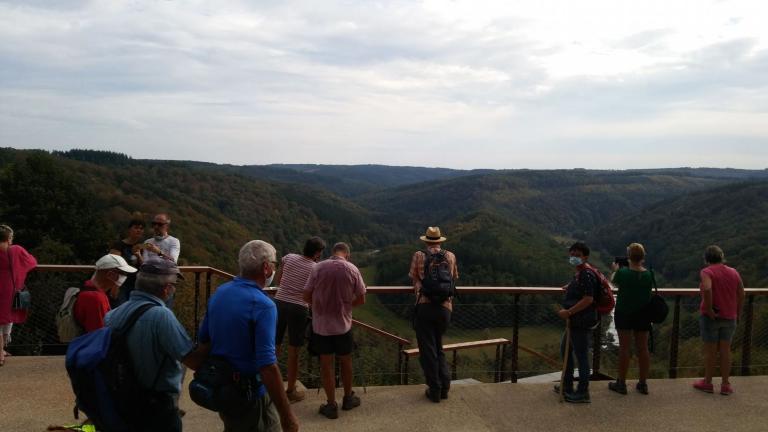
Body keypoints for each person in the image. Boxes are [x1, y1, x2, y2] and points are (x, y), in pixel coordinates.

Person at [199, 240, 299, 432]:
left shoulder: (220, 292)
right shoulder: (263, 305)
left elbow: (204, 339)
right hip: (249, 392)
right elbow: (268, 366)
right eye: (275, 264)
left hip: (223, 387)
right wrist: (288, 417)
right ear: (266, 268)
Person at [104, 259, 205, 432]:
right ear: (166, 289)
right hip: (156, 408)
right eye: (174, 285)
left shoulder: (112, 315)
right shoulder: (162, 316)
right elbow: (193, 361)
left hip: (122, 400)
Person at [303, 242, 366, 420]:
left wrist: (319, 308)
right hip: (343, 326)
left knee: (326, 366)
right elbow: (361, 299)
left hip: (321, 326)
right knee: (346, 362)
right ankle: (348, 398)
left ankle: (331, 406)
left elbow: (306, 295)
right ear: (347, 254)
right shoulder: (352, 269)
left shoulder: (318, 268)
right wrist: (346, 308)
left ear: (332, 252)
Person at [408, 226, 458, 403]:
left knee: (428, 350)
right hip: (445, 309)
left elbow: (414, 279)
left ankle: (435, 389)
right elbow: (453, 279)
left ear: (426, 241)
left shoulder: (419, 255)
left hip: (425, 307)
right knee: (438, 347)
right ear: (439, 241)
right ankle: (445, 386)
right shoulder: (450, 256)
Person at [273, 236, 326, 403]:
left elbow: (278, 280)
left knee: (273, 345)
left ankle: (269, 386)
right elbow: (314, 292)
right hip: (298, 308)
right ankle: (290, 391)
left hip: (279, 303)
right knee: (294, 351)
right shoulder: (316, 268)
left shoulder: (289, 257)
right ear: (317, 253)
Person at [693, 245, 745, 395]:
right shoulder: (733, 272)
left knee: (711, 352)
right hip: (730, 316)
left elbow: (708, 288)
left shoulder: (706, 272)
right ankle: (725, 384)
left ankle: (708, 383)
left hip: (712, 318)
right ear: (722, 257)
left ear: (706, 259)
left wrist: (709, 309)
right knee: (725, 351)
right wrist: (738, 312)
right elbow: (741, 293)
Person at [555, 241, 599, 404]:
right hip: (576, 321)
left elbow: (588, 298)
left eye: (577, 255)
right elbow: (582, 289)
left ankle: (583, 392)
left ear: (585, 257)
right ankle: (567, 386)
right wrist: (570, 286)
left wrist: (569, 312)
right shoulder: (580, 273)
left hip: (581, 320)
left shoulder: (586, 274)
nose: (573, 257)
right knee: (565, 349)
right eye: (572, 254)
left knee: (581, 356)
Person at [608, 243, 653, 395]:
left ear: (629, 257)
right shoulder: (649, 274)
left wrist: (616, 269)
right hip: (643, 314)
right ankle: (643, 383)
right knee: (643, 348)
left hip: (624, 313)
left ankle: (621, 383)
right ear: (643, 257)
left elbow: (613, 281)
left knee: (624, 348)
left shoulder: (624, 273)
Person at [0, 224, 37, 366]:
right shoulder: (15, 250)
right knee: (7, 317)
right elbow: (32, 262)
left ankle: (1, 351)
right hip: (10, 288)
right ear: (9, 238)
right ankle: (1, 352)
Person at [74, 254, 137, 334]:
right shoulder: (96, 298)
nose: (125, 277)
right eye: (123, 273)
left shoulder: (86, 288)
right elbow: (100, 334)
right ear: (110, 275)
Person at [109, 217, 146, 305]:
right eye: (136, 228)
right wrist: (115, 286)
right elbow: (114, 266)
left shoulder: (142, 246)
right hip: (121, 284)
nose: (139, 230)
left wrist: (139, 256)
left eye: (141, 228)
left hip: (137, 285)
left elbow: (144, 266)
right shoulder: (119, 245)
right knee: (120, 308)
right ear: (129, 229)